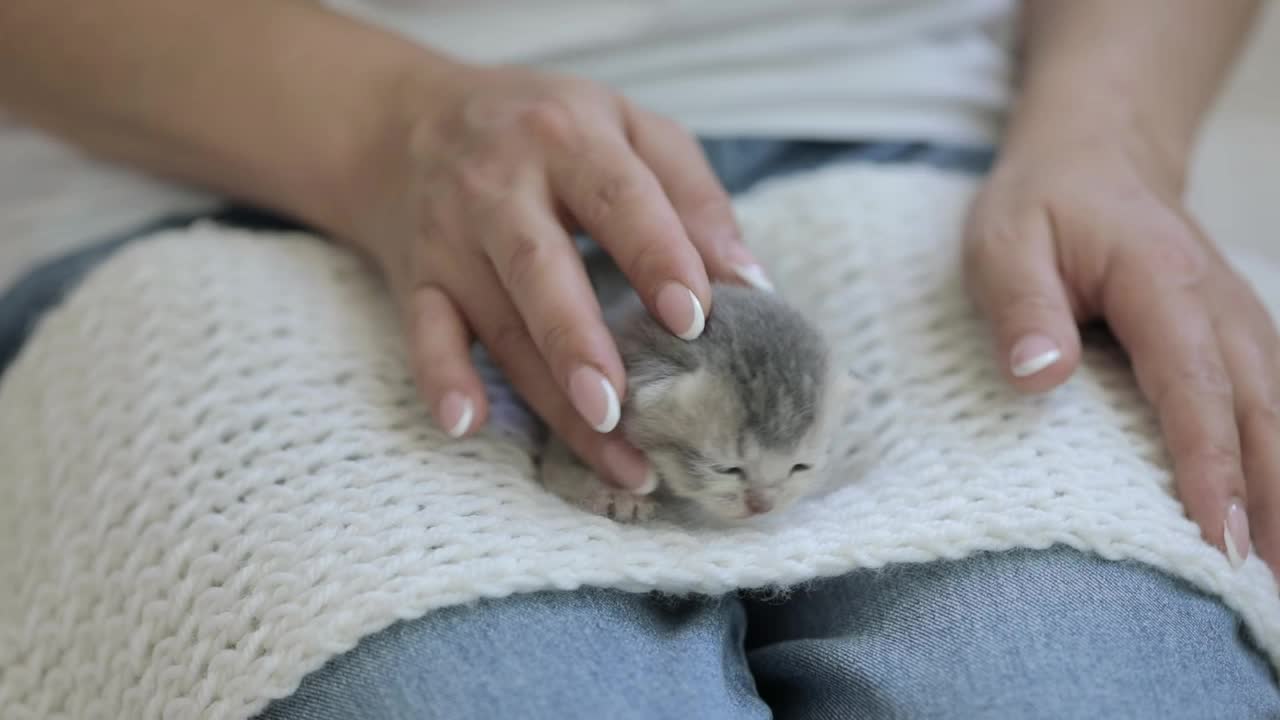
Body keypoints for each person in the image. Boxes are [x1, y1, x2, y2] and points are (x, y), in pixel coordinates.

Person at [0, 1, 1276, 717]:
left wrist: (1110, 137)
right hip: (240, 173)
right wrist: (385, 130)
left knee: (1092, 692)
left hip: (929, 150)